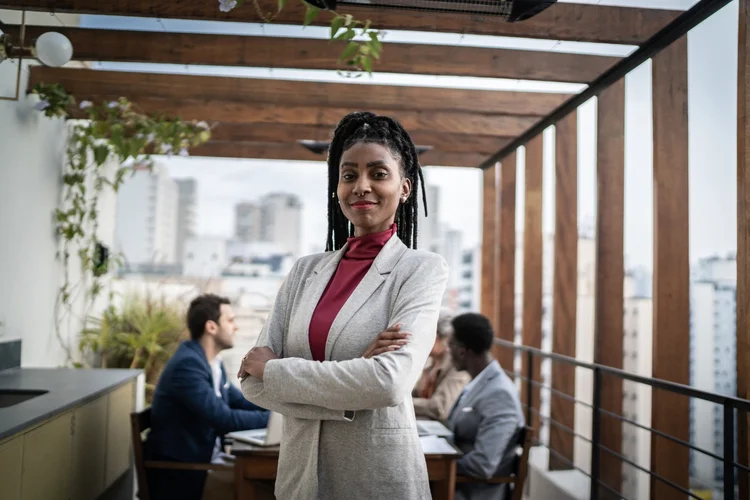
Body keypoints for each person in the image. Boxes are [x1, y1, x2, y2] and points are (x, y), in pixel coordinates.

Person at [237, 111, 449, 500]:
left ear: (404, 188)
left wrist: (276, 370)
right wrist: (353, 381)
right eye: (349, 175)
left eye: (378, 174)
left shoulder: (420, 270)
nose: (361, 186)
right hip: (300, 481)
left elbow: (388, 383)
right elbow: (252, 383)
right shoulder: (304, 272)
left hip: (376, 479)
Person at [147, 294, 270, 500]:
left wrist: (274, 410)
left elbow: (239, 401)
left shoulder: (212, 363)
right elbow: (223, 419)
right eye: (230, 320)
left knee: (270, 480)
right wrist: (275, 421)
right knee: (265, 488)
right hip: (185, 472)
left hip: (206, 460)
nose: (236, 327)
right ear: (211, 327)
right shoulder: (187, 366)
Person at [446, 312, 525, 500]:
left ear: (462, 351)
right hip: (459, 484)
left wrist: (435, 465)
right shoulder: (481, 383)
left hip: (472, 492)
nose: (448, 353)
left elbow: (483, 464)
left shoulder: (499, 394)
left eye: (450, 347)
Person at [412, 309, 471, 422]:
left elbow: (439, 408)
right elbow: (416, 393)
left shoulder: (457, 365)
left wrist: (405, 404)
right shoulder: (430, 362)